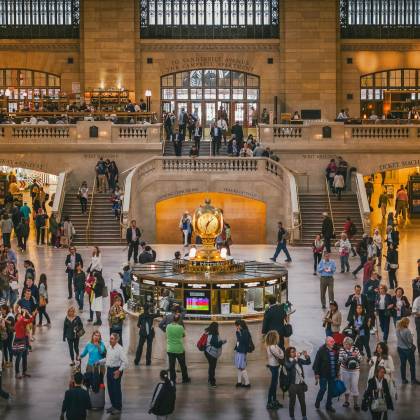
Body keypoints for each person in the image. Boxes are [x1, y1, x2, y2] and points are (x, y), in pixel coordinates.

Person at [97, 333, 127, 415]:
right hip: (109, 370)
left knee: (116, 389)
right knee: (110, 389)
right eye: (110, 338)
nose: (110, 340)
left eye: (112, 339)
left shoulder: (120, 349)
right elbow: (107, 358)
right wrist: (99, 362)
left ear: (117, 340)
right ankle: (113, 405)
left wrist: (119, 371)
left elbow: (125, 362)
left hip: (116, 370)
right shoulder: (109, 347)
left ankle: (118, 407)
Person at [313, 336, 339, 413]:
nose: (333, 343)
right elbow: (316, 363)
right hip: (323, 374)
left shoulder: (335, 350)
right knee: (323, 389)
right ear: (327, 342)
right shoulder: (321, 351)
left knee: (331, 391)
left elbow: (337, 362)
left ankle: (329, 405)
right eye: (331, 341)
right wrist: (316, 373)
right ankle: (318, 401)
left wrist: (337, 373)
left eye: (333, 341)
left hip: (333, 374)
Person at [284, 346, 311, 420]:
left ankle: (304, 416)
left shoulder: (298, 360)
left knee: (302, 402)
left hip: (300, 384)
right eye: (292, 352)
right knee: (292, 402)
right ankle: (292, 417)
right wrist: (295, 359)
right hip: (292, 385)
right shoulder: (287, 361)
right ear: (288, 353)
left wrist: (306, 356)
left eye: (295, 351)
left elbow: (308, 362)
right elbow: (289, 367)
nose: (294, 353)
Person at [166, 313, 190, 384]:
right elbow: (183, 335)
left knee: (171, 366)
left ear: (172, 319)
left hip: (170, 349)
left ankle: (173, 380)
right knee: (182, 365)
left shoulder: (168, 326)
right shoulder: (180, 327)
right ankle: (185, 379)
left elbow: (167, 334)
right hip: (179, 349)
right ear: (179, 320)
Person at [339, 336, 362, 410]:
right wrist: (345, 358)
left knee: (355, 386)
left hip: (355, 371)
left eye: (347, 344)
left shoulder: (356, 349)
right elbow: (339, 360)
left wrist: (356, 356)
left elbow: (360, 359)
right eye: (345, 344)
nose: (346, 346)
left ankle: (355, 403)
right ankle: (346, 401)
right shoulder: (342, 350)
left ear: (351, 344)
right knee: (346, 386)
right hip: (344, 370)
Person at [396, 317, 419, 385]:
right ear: (406, 323)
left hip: (400, 348)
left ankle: (403, 379)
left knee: (403, 364)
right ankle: (413, 379)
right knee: (412, 364)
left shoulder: (397, 329)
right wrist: (411, 336)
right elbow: (410, 341)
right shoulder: (407, 331)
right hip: (408, 350)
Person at [203, 321, 227, 388]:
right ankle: (212, 382)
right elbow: (216, 345)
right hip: (212, 353)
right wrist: (222, 342)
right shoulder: (214, 335)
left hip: (207, 352)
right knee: (212, 368)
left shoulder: (208, 333)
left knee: (211, 366)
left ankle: (210, 379)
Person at [264, 330, 284, 410]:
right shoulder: (272, 347)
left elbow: (281, 352)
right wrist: (281, 353)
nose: (278, 337)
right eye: (277, 336)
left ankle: (274, 400)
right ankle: (269, 402)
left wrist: (281, 352)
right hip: (273, 366)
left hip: (275, 365)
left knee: (275, 384)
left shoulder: (274, 345)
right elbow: (281, 356)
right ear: (274, 338)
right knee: (273, 385)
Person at [234, 319, 252, 388]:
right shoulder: (240, 331)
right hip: (239, 350)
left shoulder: (245, 332)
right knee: (239, 367)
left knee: (242, 367)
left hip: (242, 351)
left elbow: (242, 341)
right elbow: (238, 341)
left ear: (241, 325)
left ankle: (247, 383)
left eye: (237, 326)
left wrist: (239, 333)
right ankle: (239, 382)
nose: (236, 327)